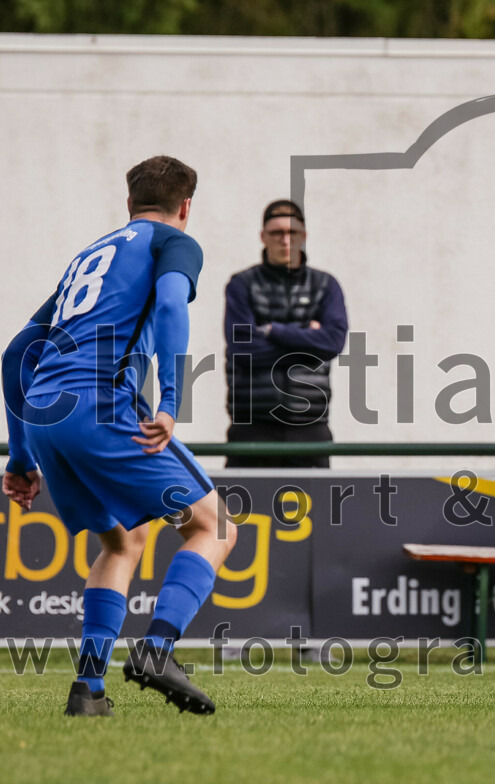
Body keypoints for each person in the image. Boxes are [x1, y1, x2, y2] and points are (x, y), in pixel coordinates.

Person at [2, 156, 237, 717]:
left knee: (121, 542)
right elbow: (174, 304)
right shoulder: (173, 242)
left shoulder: (88, 257)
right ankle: (156, 650)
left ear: (127, 203)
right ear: (186, 207)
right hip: (101, 404)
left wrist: (20, 454)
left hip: (45, 416)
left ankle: (88, 690)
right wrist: (171, 402)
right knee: (216, 525)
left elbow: (15, 354)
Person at [224, 199, 348, 468]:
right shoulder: (242, 285)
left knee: (319, 509)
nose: (285, 240)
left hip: (310, 426)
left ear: (303, 236)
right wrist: (308, 338)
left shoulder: (326, 286)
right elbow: (243, 349)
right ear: (262, 237)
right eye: (276, 232)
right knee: (243, 510)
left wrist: (273, 330)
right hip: (252, 427)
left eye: (292, 232)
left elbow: (333, 342)